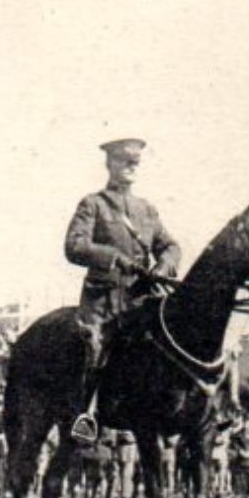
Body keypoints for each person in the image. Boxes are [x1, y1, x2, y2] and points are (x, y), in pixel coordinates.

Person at [63, 137, 181, 442]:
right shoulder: (94, 204)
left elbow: (169, 246)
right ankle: (86, 417)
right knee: (96, 350)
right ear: (109, 164)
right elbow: (75, 246)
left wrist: (164, 266)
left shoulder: (147, 210)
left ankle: (173, 413)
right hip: (105, 301)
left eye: (134, 163)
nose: (130, 167)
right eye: (123, 161)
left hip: (141, 299)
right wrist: (114, 258)